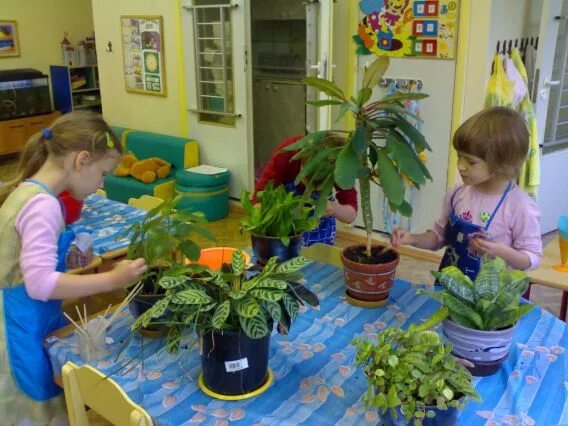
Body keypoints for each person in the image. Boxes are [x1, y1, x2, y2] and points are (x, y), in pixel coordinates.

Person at [0, 111, 148, 425]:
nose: (101, 183)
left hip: (23, 317)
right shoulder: (44, 205)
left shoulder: (29, 192)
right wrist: (112, 278)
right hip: (17, 328)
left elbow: (26, 264)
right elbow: (38, 285)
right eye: (104, 173)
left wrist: (66, 259)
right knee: (36, 412)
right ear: (82, 160)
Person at [391, 107, 542, 280]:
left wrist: (501, 251)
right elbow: (439, 237)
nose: (461, 165)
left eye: (471, 161)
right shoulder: (457, 192)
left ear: (501, 164)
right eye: (459, 156)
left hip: (491, 300)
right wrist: (412, 239)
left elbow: (532, 259)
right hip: (450, 287)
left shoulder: (521, 207)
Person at [255, 135, 358, 246]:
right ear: (302, 165)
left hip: (320, 236)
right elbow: (257, 202)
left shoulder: (341, 166)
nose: (311, 191)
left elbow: (351, 216)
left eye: (319, 188)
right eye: (307, 182)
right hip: (286, 233)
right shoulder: (286, 154)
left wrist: (334, 209)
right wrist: (278, 214)